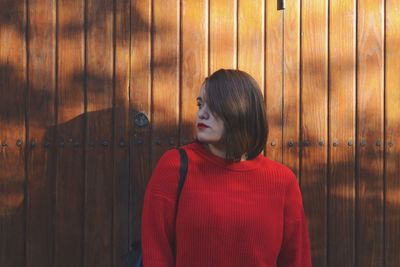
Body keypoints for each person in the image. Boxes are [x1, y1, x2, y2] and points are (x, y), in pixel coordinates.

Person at [141, 69, 312, 267]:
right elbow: (156, 252)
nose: (201, 114)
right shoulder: (174, 166)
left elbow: (297, 259)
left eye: (213, 106)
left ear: (240, 110)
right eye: (200, 104)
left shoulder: (282, 180)